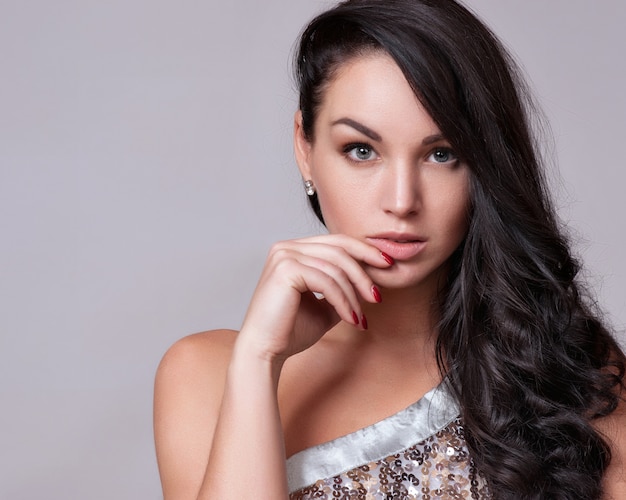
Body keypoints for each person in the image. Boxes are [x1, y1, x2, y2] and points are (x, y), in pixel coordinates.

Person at [153, 0, 626, 498]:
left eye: (442, 155)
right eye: (362, 151)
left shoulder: (565, 372)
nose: (401, 201)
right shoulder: (209, 374)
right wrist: (259, 359)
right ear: (304, 147)